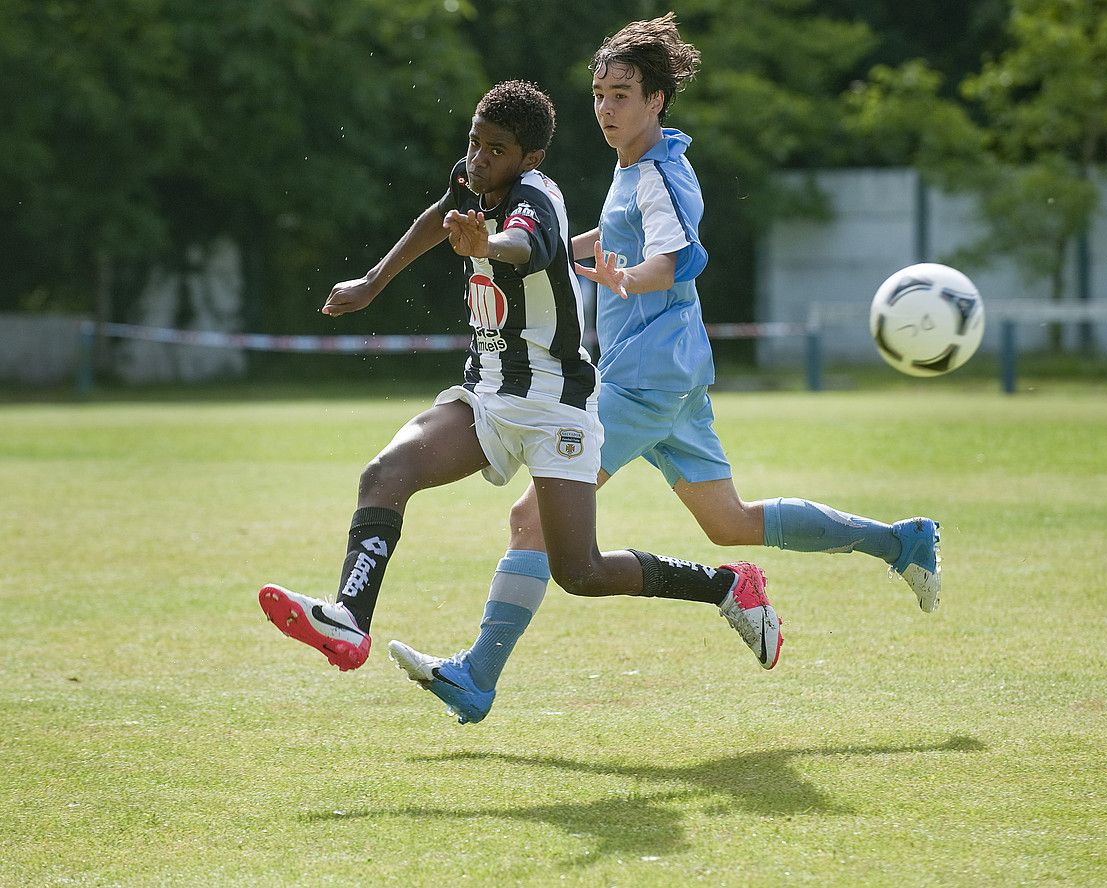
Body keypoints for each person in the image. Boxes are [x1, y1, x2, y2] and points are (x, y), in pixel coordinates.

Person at [389, 19, 940, 724]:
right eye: (598, 94)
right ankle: (902, 541)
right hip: (666, 373)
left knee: (532, 518)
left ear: (656, 101)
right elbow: (611, 239)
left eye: (621, 94)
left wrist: (627, 279)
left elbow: (673, 257)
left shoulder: (660, 172)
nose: (606, 109)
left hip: (643, 378)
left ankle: (476, 678)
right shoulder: (634, 169)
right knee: (730, 522)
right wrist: (567, 251)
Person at [257, 80, 782, 720]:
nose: (478, 158)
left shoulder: (539, 200)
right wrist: (372, 282)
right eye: (474, 142)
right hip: (487, 394)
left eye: (495, 149)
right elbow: (438, 217)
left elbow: (524, 246)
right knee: (385, 473)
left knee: (579, 572)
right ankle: (347, 619)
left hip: (556, 405)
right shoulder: (475, 180)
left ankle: (727, 586)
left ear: (528, 158)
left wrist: (485, 246)